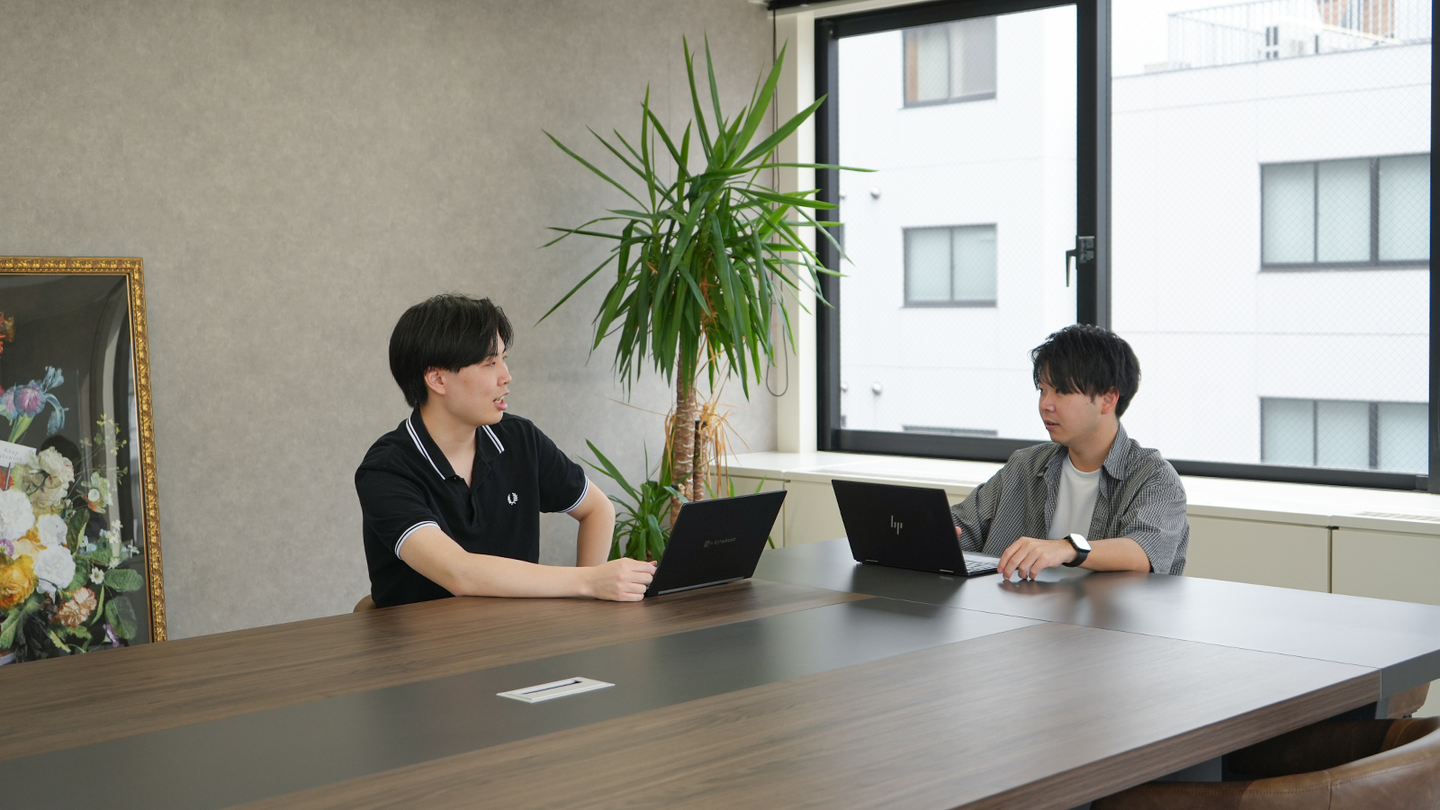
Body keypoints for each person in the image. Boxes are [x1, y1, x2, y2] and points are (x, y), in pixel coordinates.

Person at [355, 294, 655, 607]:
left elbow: (597, 509)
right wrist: (590, 581)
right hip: (425, 638)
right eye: (489, 363)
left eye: (503, 359)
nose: (506, 376)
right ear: (438, 379)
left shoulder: (519, 439)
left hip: (518, 632)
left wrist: (588, 611)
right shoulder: (386, 470)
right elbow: (459, 573)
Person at [951, 324, 1188, 581]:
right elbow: (963, 525)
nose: (1045, 404)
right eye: (1042, 390)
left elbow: (1143, 552)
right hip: (1011, 605)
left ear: (1108, 398)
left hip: (1103, 609)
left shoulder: (1153, 476)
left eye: (1061, 391)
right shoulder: (1025, 465)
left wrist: (1067, 548)